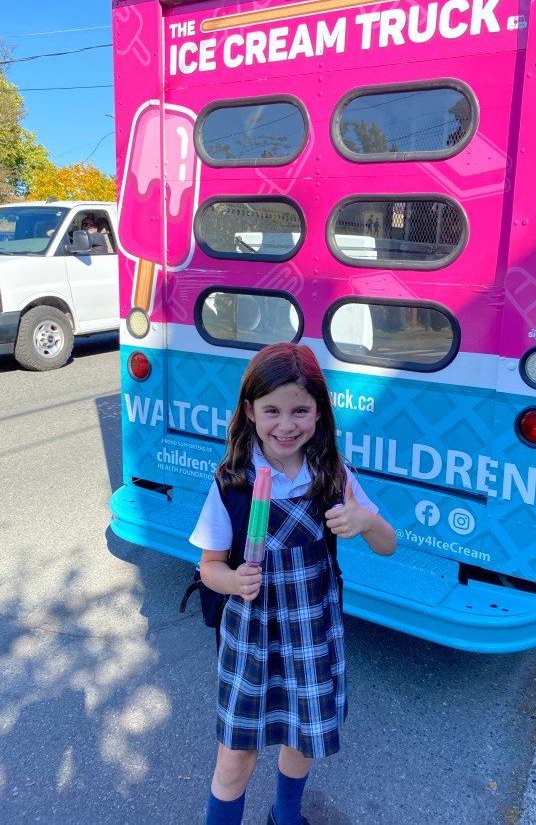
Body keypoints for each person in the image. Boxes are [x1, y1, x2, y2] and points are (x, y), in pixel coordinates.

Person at [190, 343, 396, 825]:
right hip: (251, 638)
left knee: (302, 740)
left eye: (300, 410)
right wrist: (233, 580)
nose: (286, 425)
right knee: (236, 756)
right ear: (250, 412)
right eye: (272, 411)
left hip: (311, 635)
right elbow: (209, 568)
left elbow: (388, 545)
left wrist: (365, 521)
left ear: (319, 412)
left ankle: (285, 816)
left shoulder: (333, 477)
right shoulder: (233, 484)